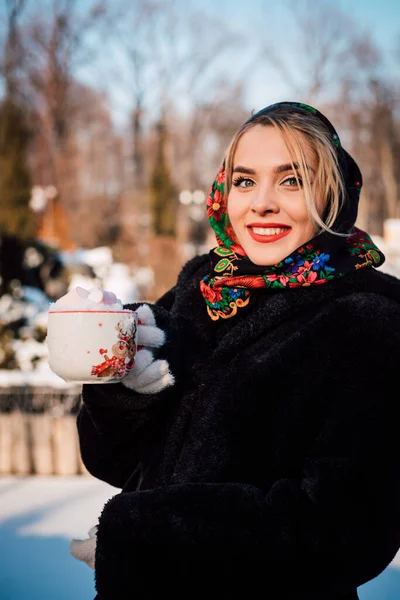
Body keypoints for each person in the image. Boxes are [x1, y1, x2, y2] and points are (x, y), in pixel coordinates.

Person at [70, 102, 400, 599]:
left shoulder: (368, 320)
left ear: (333, 193)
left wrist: (147, 540)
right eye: (245, 181)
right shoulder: (200, 292)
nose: (261, 203)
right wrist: (124, 389)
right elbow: (113, 462)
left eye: (292, 181)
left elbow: (342, 531)